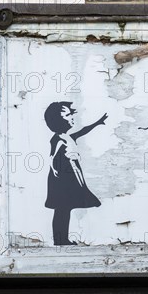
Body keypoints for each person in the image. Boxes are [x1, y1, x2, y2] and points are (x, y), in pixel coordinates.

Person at [44, 101, 108, 246]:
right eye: (67, 115)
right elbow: (52, 156)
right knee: (61, 209)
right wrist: (55, 168)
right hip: (61, 177)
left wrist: (98, 122)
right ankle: (60, 240)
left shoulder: (68, 137)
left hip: (69, 174)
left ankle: (62, 239)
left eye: (71, 114)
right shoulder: (58, 139)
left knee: (64, 209)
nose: (72, 117)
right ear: (58, 120)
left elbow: (83, 131)